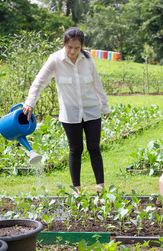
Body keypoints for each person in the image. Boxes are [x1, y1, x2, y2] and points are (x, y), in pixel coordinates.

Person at [23, 27, 110, 195]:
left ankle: (101, 188)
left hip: (91, 110)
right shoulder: (55, 60)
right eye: (70, 47)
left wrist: (104, 105)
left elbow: (96, 83)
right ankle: (77, 190)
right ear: (64, 44)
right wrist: (30, 102)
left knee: (94, 148)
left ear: (82, 47)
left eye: (77, 48)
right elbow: (39, 82)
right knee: (75, 149)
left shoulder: (87, 59)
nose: (73, 51)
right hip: (70, 114)